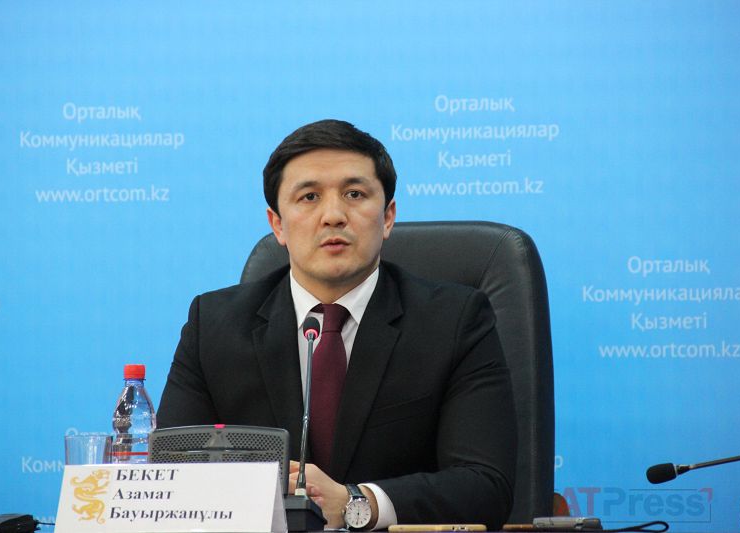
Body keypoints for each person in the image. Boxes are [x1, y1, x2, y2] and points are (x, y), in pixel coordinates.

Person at [156, 119, 517, 530]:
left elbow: (485, 485)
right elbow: (172, 479)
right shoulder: (214, 326)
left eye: (354, 194)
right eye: (309, 196)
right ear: (278, 224)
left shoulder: (455, 320)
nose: (333, 215)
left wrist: (355, 502)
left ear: (388, 217)